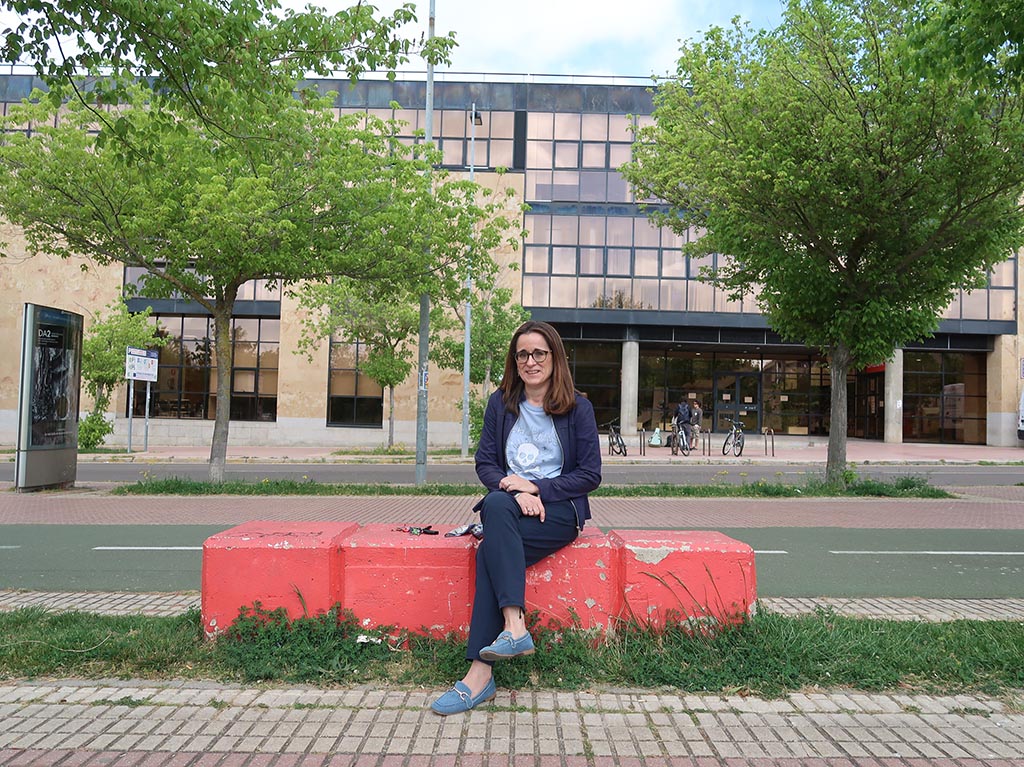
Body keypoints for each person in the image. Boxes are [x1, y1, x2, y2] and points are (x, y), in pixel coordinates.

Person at [430, 320, 603, 716]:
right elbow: (485, 463)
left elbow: (590, 475)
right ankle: (512, 630)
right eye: (522, 354)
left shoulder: (578, 407)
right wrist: (515, 489)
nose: (530, 361)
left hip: (560, 511)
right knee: (495, 506)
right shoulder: (501, 402)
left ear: (554, 357)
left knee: (489, 550)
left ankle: (481, 674)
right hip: (510, 506)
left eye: (539, 353)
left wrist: (536, 488)